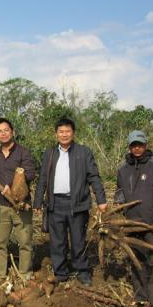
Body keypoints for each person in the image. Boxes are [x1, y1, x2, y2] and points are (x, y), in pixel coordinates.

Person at [33, 117, 107, 286]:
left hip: (77, 204)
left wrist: (101, 200)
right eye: (61, 131)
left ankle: (82, 271)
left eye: (67, 131)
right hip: (55, 204)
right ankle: (60, 272)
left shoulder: (84, 152)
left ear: (73, 133)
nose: (64, 134)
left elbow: (94, 177)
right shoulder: (50, 153)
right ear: (56, 133)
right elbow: (43, 178)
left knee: (78, 239)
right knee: (57, 241)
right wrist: (38, 201)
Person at [115, 130, 153, 306]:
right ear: (130, 147)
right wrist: (118, 213)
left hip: (151, 223)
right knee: (136, 261)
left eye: (140, 144)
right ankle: (141, 297)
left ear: (146, 145)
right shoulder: (122, 168)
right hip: (131, 225)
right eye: (134, 145)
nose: (137, 148)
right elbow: (119, 193)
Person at [0, 118, 36, 280]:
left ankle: (24, 274)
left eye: (6, 130)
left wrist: (13, 185)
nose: (3, 133)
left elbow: (30, 174)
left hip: (21, 205)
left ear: (12, 132)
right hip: (2, 207)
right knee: (0, 244)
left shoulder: (23, 152)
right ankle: (0, 275)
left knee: (25, 242)